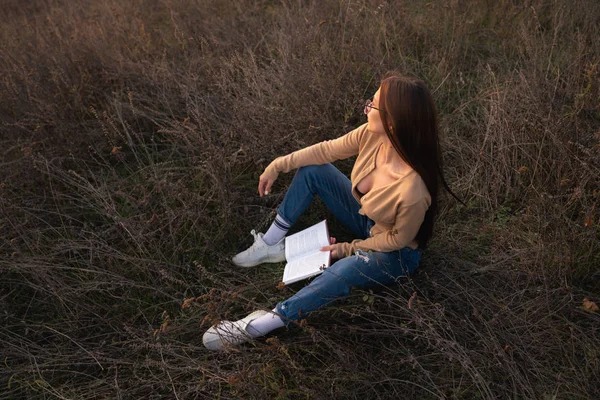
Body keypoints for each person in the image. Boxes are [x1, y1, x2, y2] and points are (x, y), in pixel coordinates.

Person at [203, 72, 464, 351]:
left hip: (395, 254)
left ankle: (270, 320)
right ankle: (270, 243)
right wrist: (279, 164)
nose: (365, 108)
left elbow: (397, 240)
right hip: (369, 222)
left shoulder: (413, 190)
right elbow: (326, 151)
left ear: (392, 121)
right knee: (315, 171)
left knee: (344, 270)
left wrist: (348, 249)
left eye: (372, 105)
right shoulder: (372, 135)